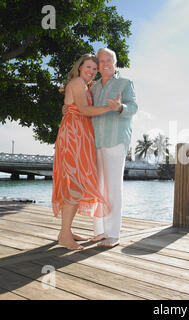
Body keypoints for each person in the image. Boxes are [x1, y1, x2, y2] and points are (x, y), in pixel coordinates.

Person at [52, 53, 120, 250]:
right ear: (79, 67)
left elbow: (72, 106)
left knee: (76, 182)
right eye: (88, 67)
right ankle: (65, 235)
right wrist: (109, 108)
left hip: (80, 135)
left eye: (94, 68)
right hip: (73, 136)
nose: (91, 71)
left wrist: (66, 107)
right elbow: (82, 110)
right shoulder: (77, 82)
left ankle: (66, 230)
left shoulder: (85, 85)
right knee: (73, 182)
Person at [89, 48, 139, 247]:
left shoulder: (125, 83)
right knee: (97, 187)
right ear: (98, 64)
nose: (105, 63)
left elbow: (133, 107)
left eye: (108, 60)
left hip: (115, 140)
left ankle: (113, 233)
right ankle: (99, 231)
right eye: (101, 61)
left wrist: (120, 107)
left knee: (112, 188)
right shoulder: (93, 87)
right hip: (96, 141)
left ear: (115, 63)